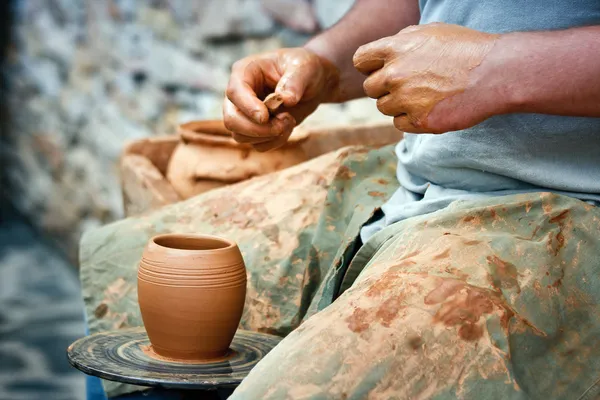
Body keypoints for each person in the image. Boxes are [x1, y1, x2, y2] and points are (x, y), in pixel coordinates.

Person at [81, 0, 600, 398]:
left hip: (566, 208)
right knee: (126, 275)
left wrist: (497, 67)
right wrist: (324, 64)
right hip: (417, 179)